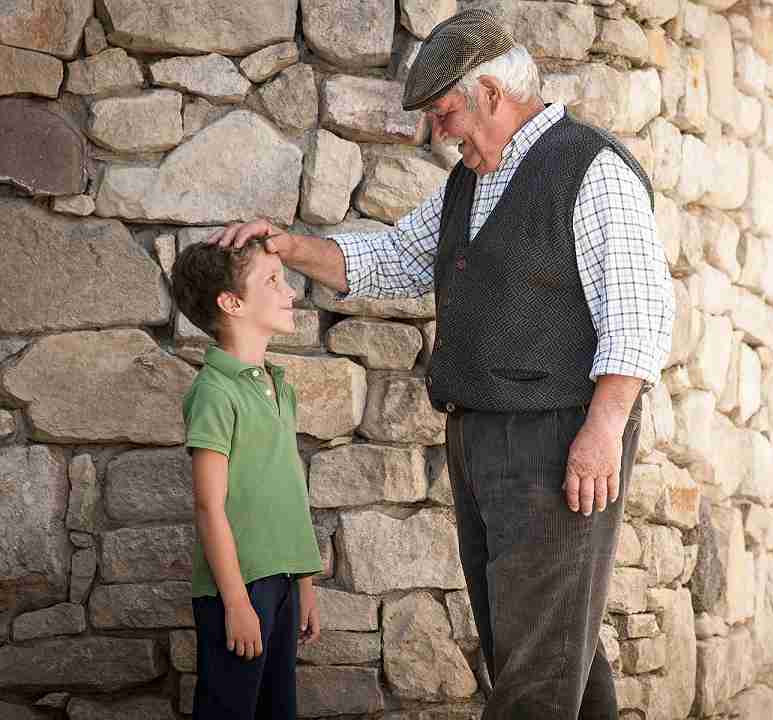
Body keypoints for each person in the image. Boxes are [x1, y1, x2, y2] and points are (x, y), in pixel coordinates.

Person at [212, 9, 675, 718]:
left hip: (556, 436)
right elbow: (396, 259)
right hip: (482, 436)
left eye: (444, 112)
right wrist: (290, 247)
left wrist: (604, 428)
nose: (439, 132)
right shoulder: (472, 179)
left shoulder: (592, 167)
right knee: (535, 642)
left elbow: (639, 313)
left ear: (491, 92)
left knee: (537, 659)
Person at [170, 240, 325, 720]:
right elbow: (209, 507)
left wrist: (304, 583)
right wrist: (236, 602)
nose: (291, 292)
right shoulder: (214, 392)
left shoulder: (279, 385)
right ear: (231, 303)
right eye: (273, 281)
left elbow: (286, 492)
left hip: (280, 583)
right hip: (238, 590)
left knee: (278, 710)